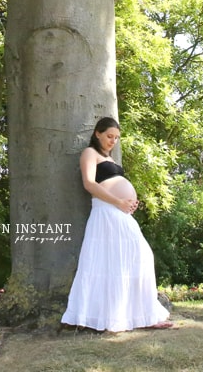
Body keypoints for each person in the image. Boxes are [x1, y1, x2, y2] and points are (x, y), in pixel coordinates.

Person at [61, 116, 173, 332]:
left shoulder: (110, 159)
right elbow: (89, 184)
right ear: (98, 133)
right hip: (106, 212)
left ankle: (143, 315)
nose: (113, 141)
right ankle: (107, 317)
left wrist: (129, 203)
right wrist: (119, 201)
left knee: (140, 257)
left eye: (116, 138)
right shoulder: (89, 153)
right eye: (109, 136)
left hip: (120, 212)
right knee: (109, 263)